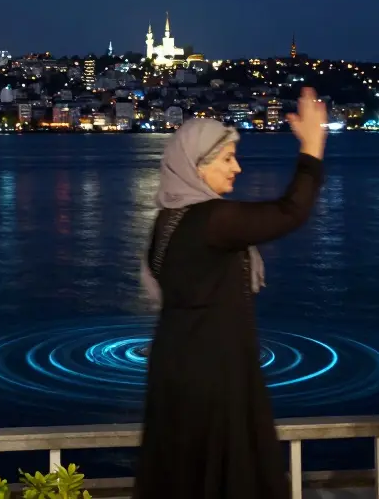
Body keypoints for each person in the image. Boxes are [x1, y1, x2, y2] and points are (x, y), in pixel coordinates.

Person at [133, 87, 329, 499]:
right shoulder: (211, 220)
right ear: (195, 167)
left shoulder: (166, 222)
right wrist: (312, 149)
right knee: (228, 473)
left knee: (184, 475)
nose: (236, 168)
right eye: (226, 159)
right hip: (214, 374)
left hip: (177, 368)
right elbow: (289, 211)